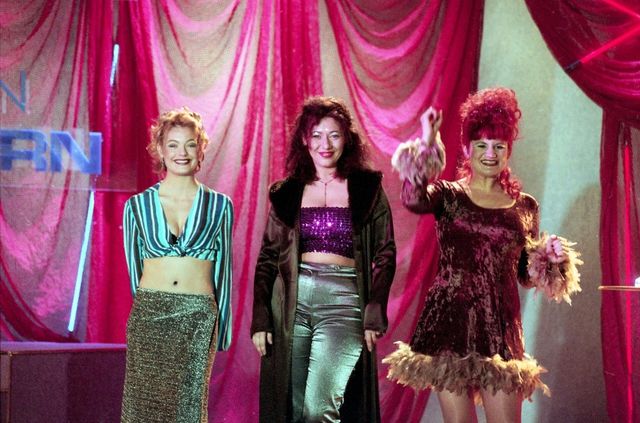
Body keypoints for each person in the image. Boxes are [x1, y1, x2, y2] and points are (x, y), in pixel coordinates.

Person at [383, 87, 582, 423]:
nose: (490, 153)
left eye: (499, 146)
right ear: (467, 148)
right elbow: (413, 198)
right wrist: (428, 142)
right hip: (449, 326)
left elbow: (524, 274)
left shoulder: (525, 207)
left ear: (508, 151)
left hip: (499, 331)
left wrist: (549, 258)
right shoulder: (448, 195)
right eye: (481, 145)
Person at [251, 96, 396, 423]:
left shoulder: (367, 189)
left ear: (347, 139)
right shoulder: (287, 192)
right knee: (293, 409)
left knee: (318, 410)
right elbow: (268, 258)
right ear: (305, 140)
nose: (325, 144)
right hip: (293, 303)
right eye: (316, 135)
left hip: (344, 302)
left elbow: (386, 253)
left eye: (334, 135)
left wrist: (375, 309)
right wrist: (261, 317)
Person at [121, 107, 233, 422]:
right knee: (143, 410)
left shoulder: (220, 206)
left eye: (190, 144)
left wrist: (221, 329)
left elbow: (224, 273)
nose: (181, 153)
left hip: (198, 315)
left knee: (188, 409)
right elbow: (134, 271)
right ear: (160, 149)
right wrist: (144, 313)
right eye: (172, 144)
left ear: (201, 149)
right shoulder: (137, 206)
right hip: (150, 315)